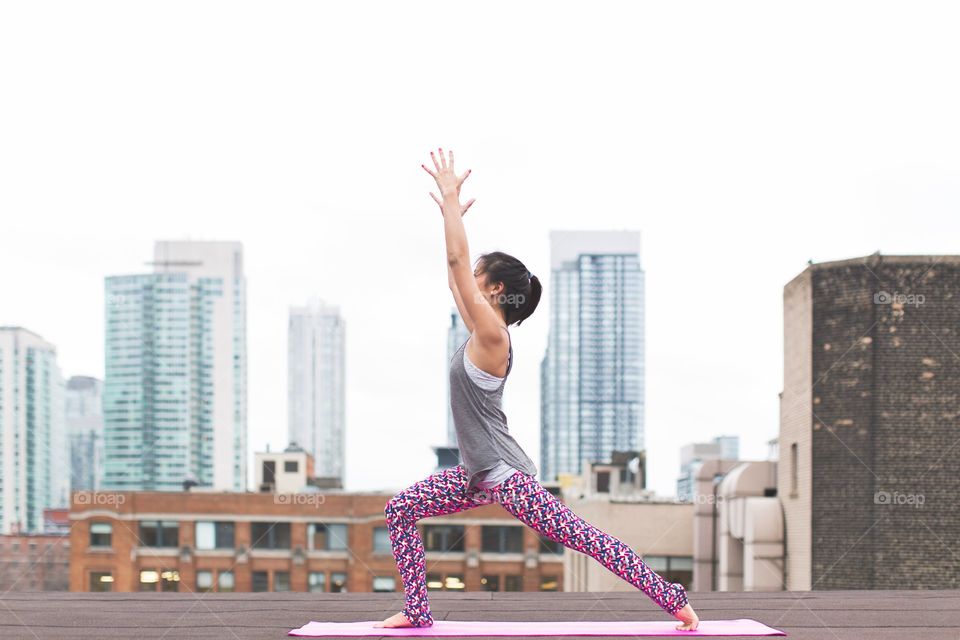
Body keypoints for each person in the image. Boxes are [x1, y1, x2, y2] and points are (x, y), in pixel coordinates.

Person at [374, 148, 699, 631]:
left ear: (496, 291)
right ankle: (418, 613)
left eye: (479, 278)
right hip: (473, 473)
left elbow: (457, 260)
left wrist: (447, 200)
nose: (468, 280)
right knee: (400, 508)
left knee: (584, 539)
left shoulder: (492, 337)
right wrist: (451, 219)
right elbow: (454, 275)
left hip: (506, 475)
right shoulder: (480, 329)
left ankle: (672, 597)